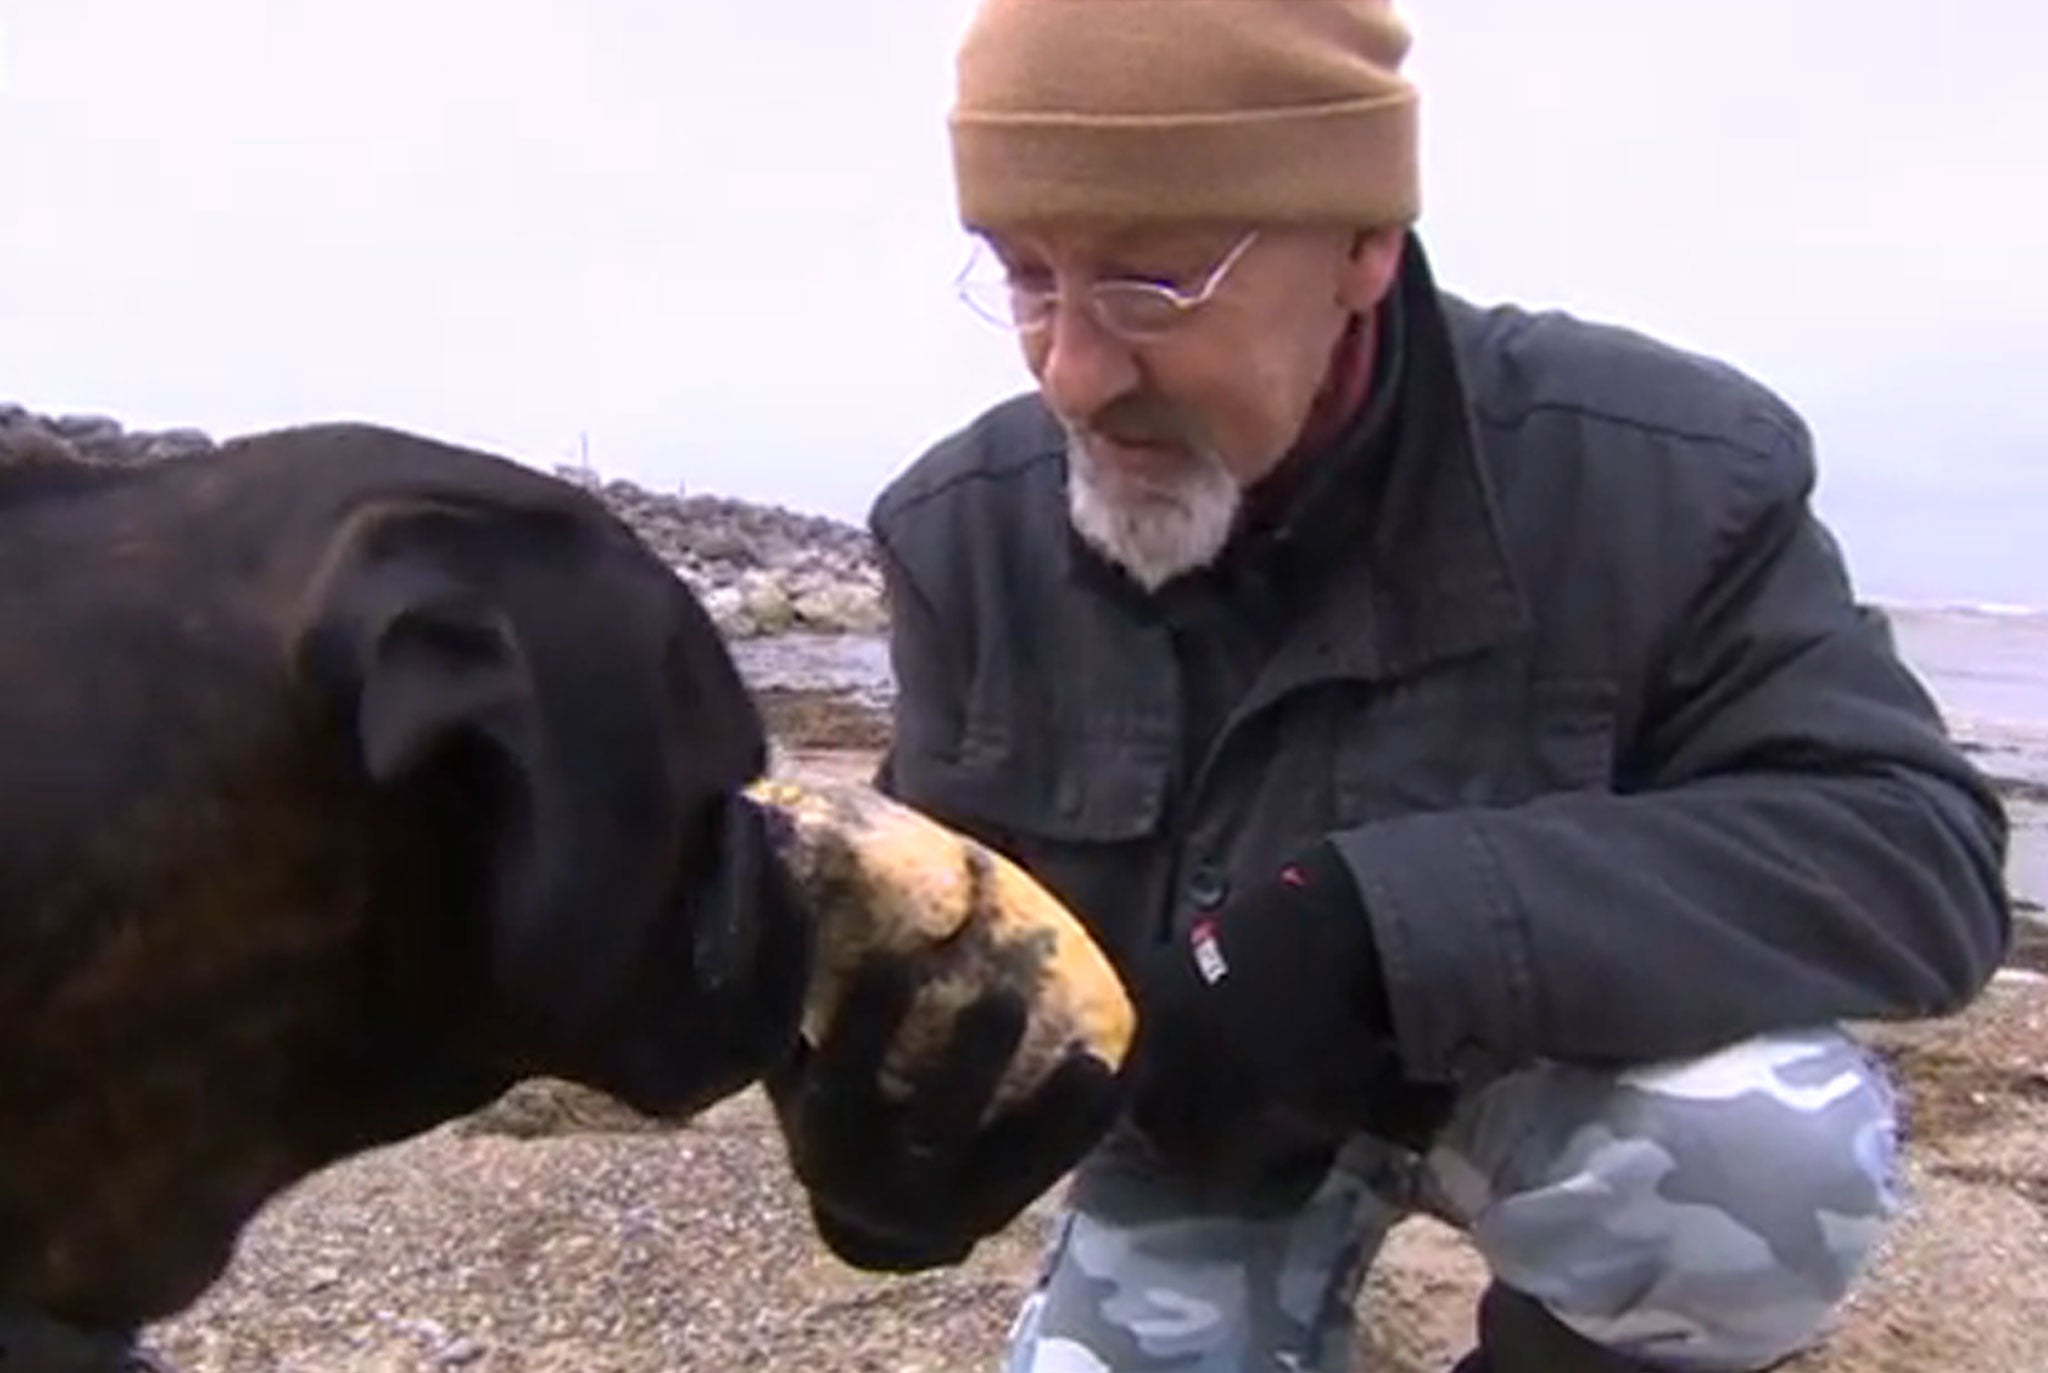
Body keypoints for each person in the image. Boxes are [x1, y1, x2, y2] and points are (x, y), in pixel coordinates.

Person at [767, 1, 2013, 1369]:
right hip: (1207, 1129)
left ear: (1363, 243)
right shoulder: (964, 535)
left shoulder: (1668, 472)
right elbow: (956, 930)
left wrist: (1384, 929)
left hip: (1555, 1079)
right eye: (1025, 277)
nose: (1072, 369)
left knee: (1763, 1159)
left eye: (1150, 284)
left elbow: (1913, 853)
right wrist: (881, 1160)